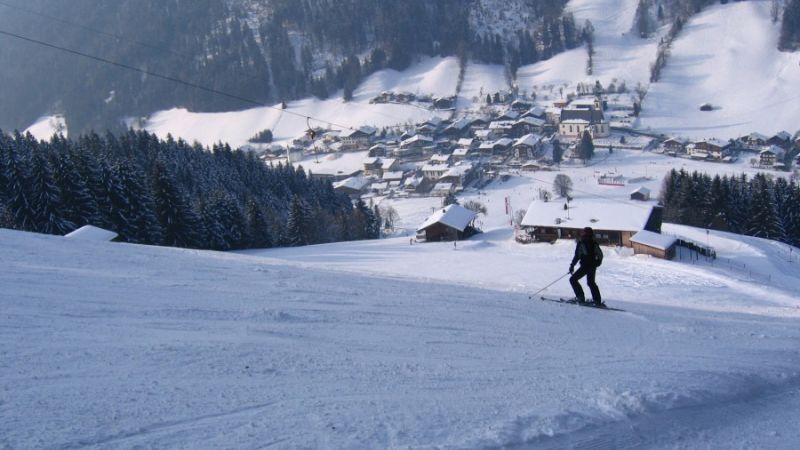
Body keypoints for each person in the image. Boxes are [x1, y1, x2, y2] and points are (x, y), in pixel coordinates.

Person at [568, 227, 604, 306]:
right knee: (591, 282)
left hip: (585, 266)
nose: (582, 234)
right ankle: (597, 301)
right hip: (592, 266)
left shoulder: (581, 243)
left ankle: (580, 298)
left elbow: (577, 256)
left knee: (573, 279)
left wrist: (572, 266)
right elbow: (600, 255)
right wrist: (597, 263)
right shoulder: (594, 243)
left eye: (583, 232)